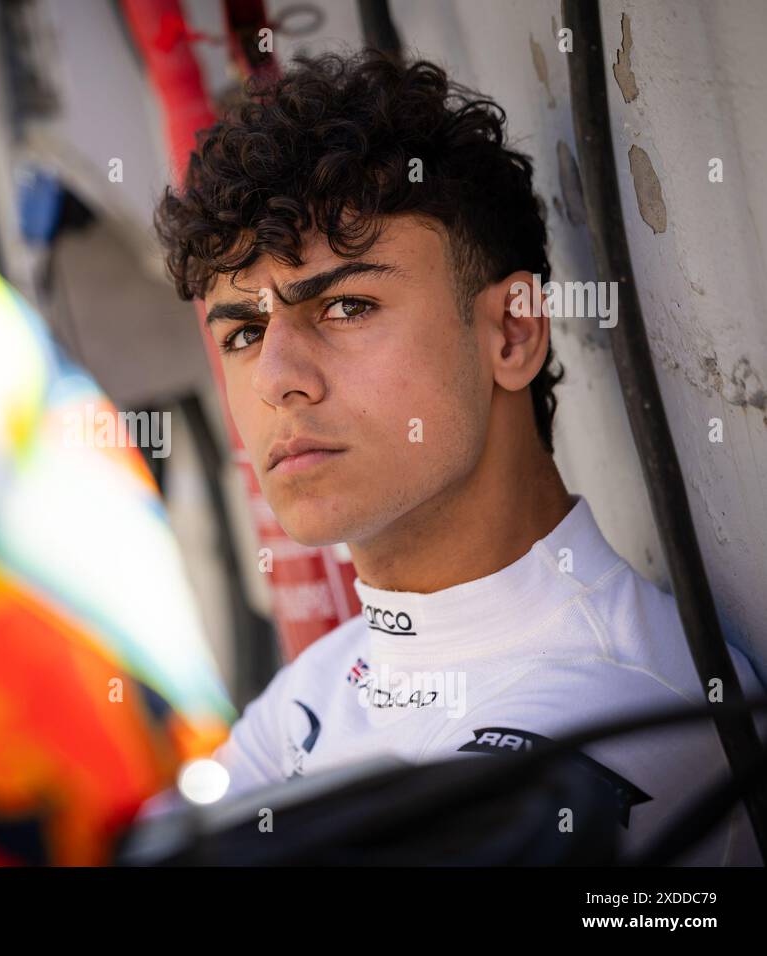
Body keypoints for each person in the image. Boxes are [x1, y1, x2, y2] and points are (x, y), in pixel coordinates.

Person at [152, 51, 765, 864]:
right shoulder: (315, 690)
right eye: (243, 332)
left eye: (345, 305)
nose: (277, 381)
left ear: (512, 331)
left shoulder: (629, 708)